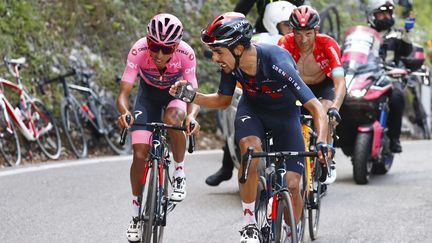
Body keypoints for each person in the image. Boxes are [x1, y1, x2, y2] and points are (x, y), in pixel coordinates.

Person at [169, 12, 332, 242]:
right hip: (252, 111)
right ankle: (249, 225)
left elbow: (316, 108)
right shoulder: (230, 66)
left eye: (218, 51)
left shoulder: (278, 61)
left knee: (293, 185)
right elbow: (223, 100)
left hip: (285, 116)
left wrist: (323, 142)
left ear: (237, 48)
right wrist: (193, 96)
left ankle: (290, 231)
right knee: (249, 151)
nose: (215, 58)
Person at [116, 13, 200, 242]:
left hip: (176, 95)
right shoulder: (138, 50)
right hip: (148, 97)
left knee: (174, 121)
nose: (160, 55)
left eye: (167, 49)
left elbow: (193, 94)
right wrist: (124, 113)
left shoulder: (186, 54)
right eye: (155, 47)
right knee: (139, 153)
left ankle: (179, 172)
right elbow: (124, 93)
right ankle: (135, 215)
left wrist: (191, 117)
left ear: (176, 47)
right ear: (148, 41)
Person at [206, 0, 296, 187]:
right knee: (241, 116)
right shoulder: (259, 40)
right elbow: (235, 14)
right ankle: (227, 165)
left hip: (281, 76)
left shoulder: (293, 37)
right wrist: (226, 41)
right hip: (253, 39)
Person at [278, 5, 346, 183]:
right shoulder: (285, 43)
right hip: (297, 86)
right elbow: (278, 78)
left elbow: (339, 82)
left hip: (323, 85)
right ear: (292, 31)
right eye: (298, 34)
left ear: (316, 30)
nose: (303, 39)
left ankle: (326, 154)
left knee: (325, 109)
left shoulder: (328, 44)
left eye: (308, 33)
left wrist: (335, 108)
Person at [365, 0, 415, 152]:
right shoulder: (363, 34)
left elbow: (407, 51)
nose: (387, 17)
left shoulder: (398, 33)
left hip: (390, 77)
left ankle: (394, 138)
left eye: (389, 13)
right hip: (366, 76)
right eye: (382, 14)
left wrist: (407, 32)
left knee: (397, 96)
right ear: (372, 16)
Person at [234, 0, 305, 33]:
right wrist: (233, 25)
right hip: (263, 28)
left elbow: (299, 11)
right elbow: (241, 9)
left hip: (288, 27)